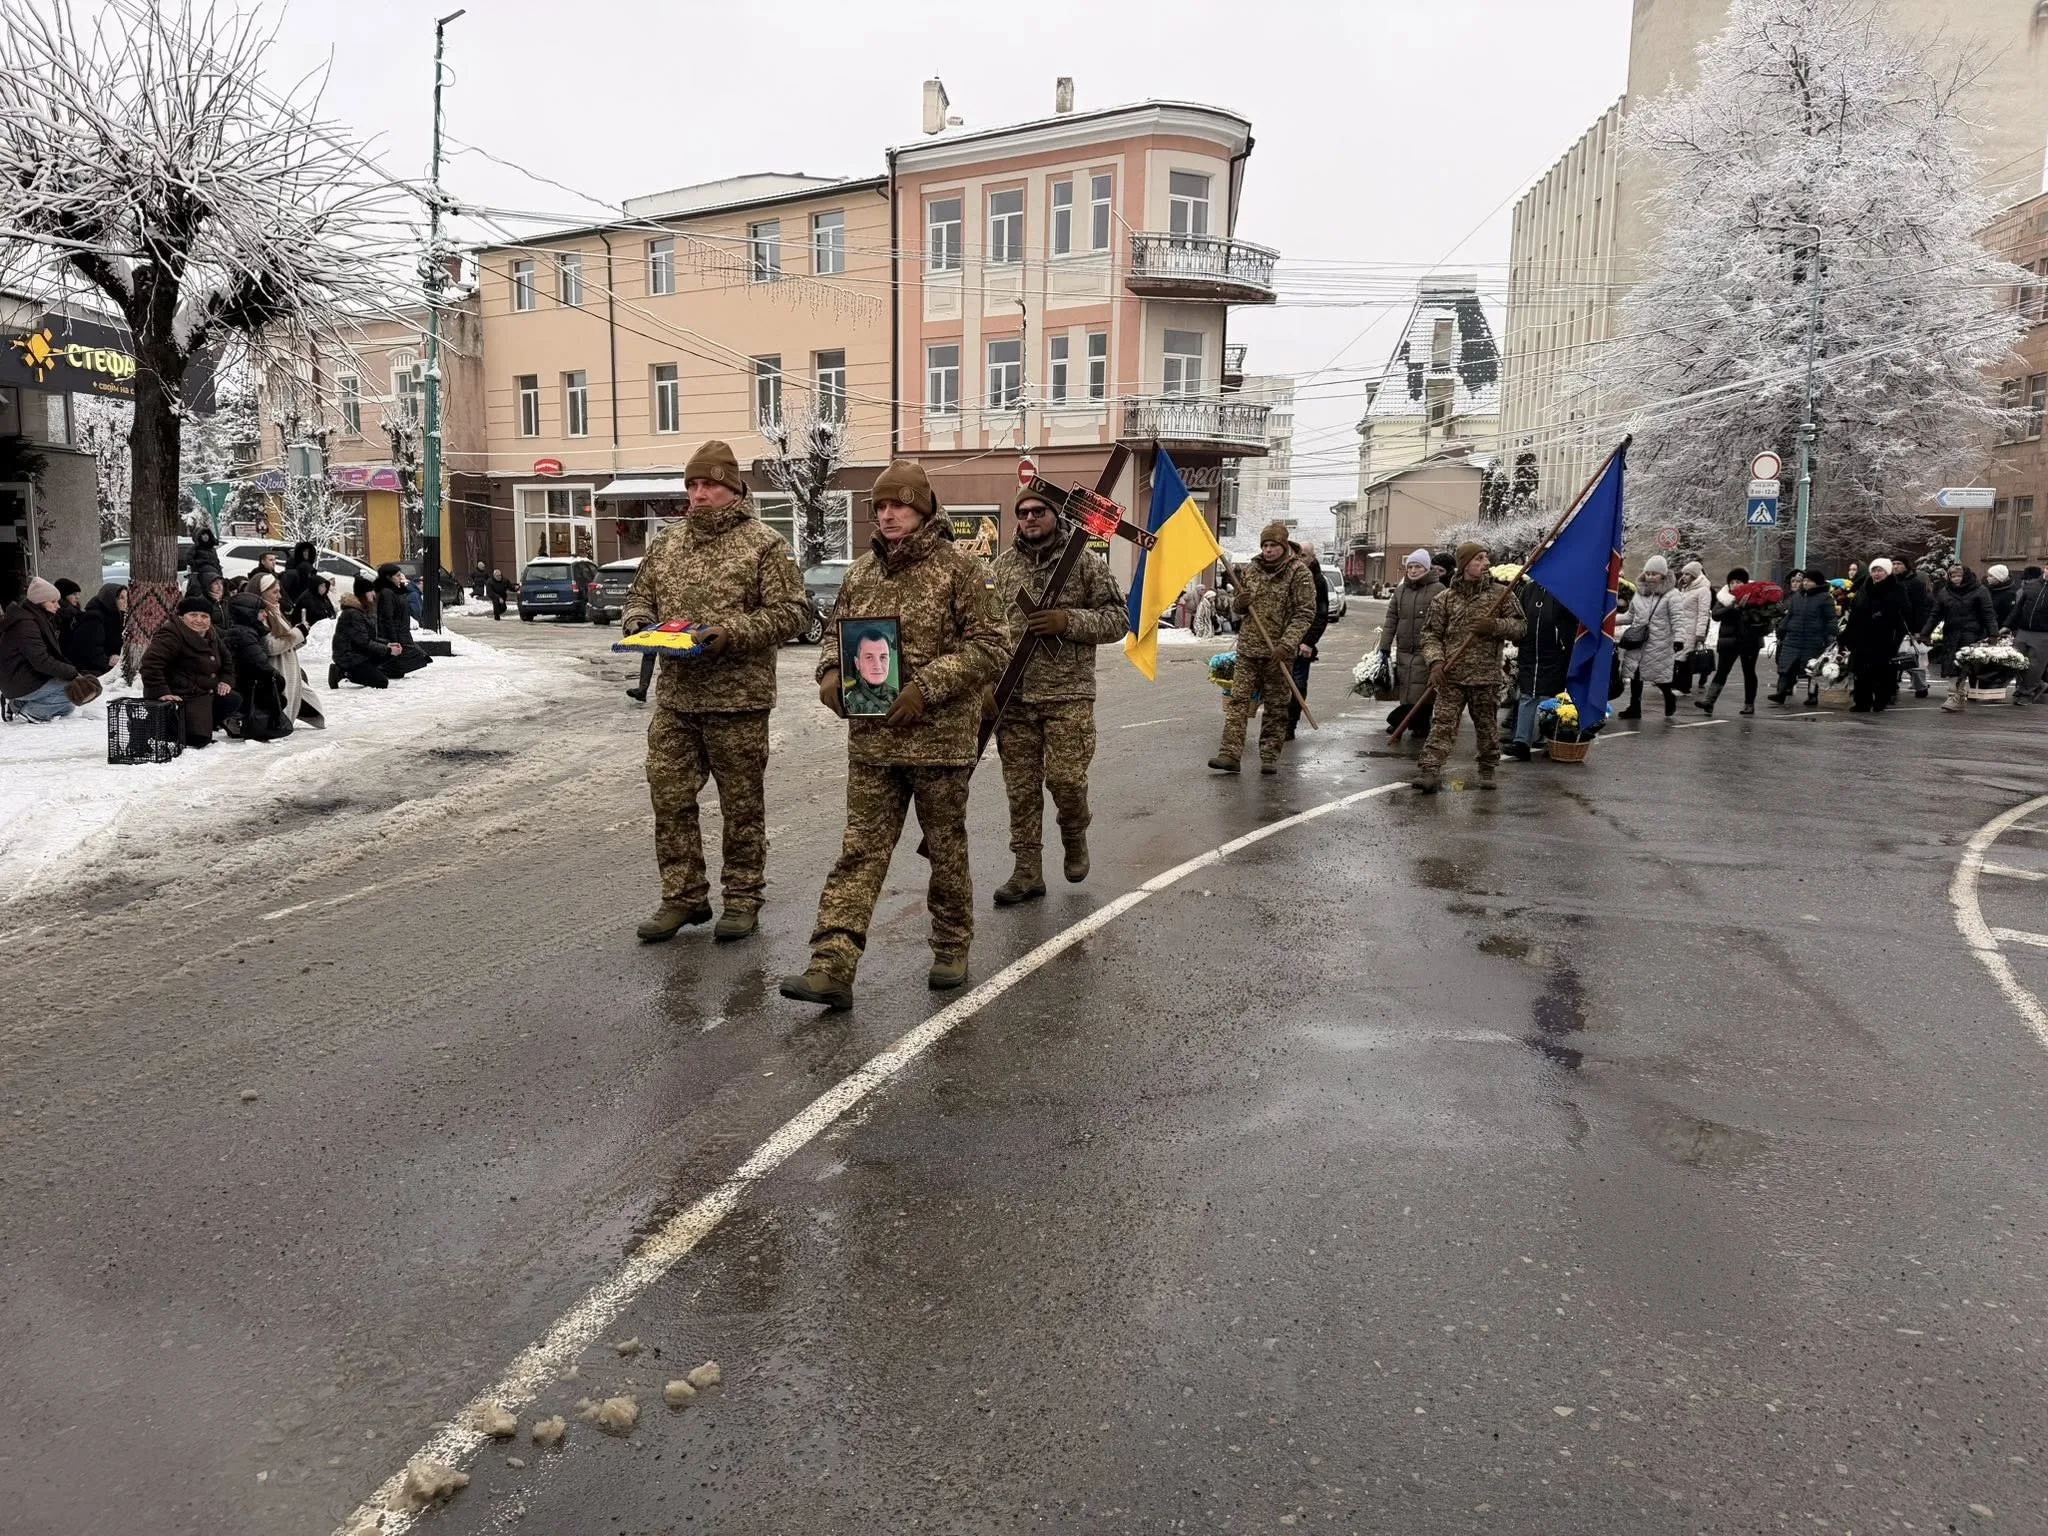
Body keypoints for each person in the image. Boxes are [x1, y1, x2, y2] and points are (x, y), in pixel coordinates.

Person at [781, 460, 1008, 1008]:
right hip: (874, 743)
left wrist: (926, 688)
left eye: (899, 505)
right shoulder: (861, 574)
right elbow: (834, 637)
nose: (887, 515)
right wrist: (830, 674)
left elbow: (992, 646)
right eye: (880, 506)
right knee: (859, 852)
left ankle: (951, 945)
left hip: (940, 742)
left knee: (945, 851)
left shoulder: (962, 570)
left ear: (923, 509)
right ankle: (831, 964)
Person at [621, 440, 809, 944]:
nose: (699, 494)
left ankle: (743, 898)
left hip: (738, 701)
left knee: (741, 806)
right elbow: (640, 595)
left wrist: (732, 633)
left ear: (733, 489)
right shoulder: (667, 543)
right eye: (693, 485)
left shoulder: (764, 544)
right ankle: (683, 896)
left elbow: (794, 612)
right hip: (677, 698)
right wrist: (638, 621)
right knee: (669, 797)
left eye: (709, 485)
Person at [987, 483, 1129, 905]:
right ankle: (1027, 870)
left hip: (1067, 694)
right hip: (1013, 697)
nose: (1030, 518)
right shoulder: (1001, 568)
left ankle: (1074, 832)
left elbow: (1118, 620)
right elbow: (985, 628)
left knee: (1066, 780)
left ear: (1056, 515)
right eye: (1023, 513)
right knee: (1021, 790)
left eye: (1038, 511)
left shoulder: (1084, 563)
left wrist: (1068, 621)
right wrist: (985, 684)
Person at [1414, 541, 1525, 792]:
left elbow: (1521, 627)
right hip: (1451, 675)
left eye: (1486, 558)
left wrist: (1495, 626)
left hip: (1485, 676)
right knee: (1442, 725)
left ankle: (1487, 768)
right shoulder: (1445, 599)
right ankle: (1430, 770)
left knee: (1486, 727)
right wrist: (1436, 662)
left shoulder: (1500, 595)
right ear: (1465, 564)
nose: (1485, 563)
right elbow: (1430, 634)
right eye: (1479, 559)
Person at [1208, 521, 1317, 774]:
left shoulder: (1298, 573)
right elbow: (1237, 609)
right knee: (1237, 701)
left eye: (1273, 545)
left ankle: (1269, 756)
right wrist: (1239, 603)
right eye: (1265, 545)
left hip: (1278, 652)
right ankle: (1230, 754)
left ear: (1284, 546)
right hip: (1249, 648)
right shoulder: (1252, 570)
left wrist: (1287, 644)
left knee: (1276, 706)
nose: (1268, 550)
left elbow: (1304, 613)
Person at [141, 596, 240, 745]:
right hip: (182, 695)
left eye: (204, 616)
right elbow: (151, 664)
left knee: (232, 698)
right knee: (199, 740)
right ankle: (159, 729)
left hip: (204, 692)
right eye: (193, 615)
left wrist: (225, 680)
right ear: (182, 617)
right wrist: (161, 692)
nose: (199, 620)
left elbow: (227, 660)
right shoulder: (171, 634)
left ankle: (203, 725)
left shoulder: (211, 633)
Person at [1374, 549, 1445, 742]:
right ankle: (1417, 725)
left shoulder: (1438, 590)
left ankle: (1399, 721)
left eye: (1418, 567)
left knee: (1420, 690)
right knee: (1406, 690)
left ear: (1427, 568)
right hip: (1404, 649)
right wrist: (1384, 646)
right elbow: (1391, 619)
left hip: (1427, 649)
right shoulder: (1401, 590)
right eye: (1410, 567)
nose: (1413, 571)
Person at [1505, 576, 1573, 760]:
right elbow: (1519, 616)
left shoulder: (1565, 588)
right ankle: (1521, 742)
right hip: (1529, 652)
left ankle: (1553, 740)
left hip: (1555, 653)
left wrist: (1564, 643)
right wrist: (1518, 636)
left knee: (1552, 698)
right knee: (1527, 695)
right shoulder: (1529, 589)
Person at [0, 576, 84, 721]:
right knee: (72, 690)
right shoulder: (26, 624)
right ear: (40, 602)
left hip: (24, 676)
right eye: (53, 602)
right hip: (18, 680)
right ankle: (30, 712)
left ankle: (16, 704)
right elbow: (41, 660)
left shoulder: (38, 618)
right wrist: (72, 673)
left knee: (69, 706)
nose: (58, 606)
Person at [1697, 567, 1777, 716]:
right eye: (1732, 582)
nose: (1735, 585)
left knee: (1749, 672)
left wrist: (1749, 609)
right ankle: (1709, 701)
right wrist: (1734, 607)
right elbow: (1715, 615)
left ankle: (1749, 705)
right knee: (1722, 671)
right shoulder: (1724, 597)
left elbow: (1765, 619)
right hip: (1728, 640)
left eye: (1738, 582)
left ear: (1745, 583)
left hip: (1750, 640)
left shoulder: (1756, 596)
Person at [1922, 562, 1999, 713]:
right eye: (1953, 576)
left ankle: (1955, 696)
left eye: (1959, 575)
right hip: (1951, 634)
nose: (1956, 578)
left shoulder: (1980, 591)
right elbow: (1935, 614)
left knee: (1962, 666)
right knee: (1952, 665)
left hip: (1971, 634)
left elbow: (1988, 613)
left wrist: (1993, 634)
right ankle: (1955, 696)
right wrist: (1926, 632)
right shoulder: (1945, 592)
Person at [251, 570, 324, 728]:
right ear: (262, 593)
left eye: (279, 591)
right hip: (277, 669)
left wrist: (301, 635)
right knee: (282, 707)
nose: (279, 596)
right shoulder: (261, 615)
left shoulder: (275, 611)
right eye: (274, 592)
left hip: (287, 667)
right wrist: (298, 633)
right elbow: (270, 646)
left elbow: (287, 639)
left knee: (298, 702)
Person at [1841, 557, 1912, 712]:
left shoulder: (1896, 588)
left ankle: (1881, 699)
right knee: (1861, 669)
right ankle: (1862, 701)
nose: (1876, 574)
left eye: (1880, 570)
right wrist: (1848, 634)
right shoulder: (1864, 588)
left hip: (1885, 635)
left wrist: (1885, 617)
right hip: (1863, 634)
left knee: (1881, 669)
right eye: (1874, 570)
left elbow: (1904, 612)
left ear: (1887, 572)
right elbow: (1855, 611)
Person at [220, 589, 292, 740]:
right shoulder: (244, 634)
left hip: (246, 682)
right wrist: (277, 678)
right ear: (248, 613)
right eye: (261, 612)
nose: (265, 615)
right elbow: (259, 664)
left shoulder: (248, 631)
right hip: (246, 684)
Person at [1616, 554, 1681, 718]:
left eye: (1654, 574)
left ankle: (1669, 696)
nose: (1650, 577)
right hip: (1638, 640)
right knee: (1635, 674)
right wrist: (1608, 621)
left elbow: (1678, 619)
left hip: (1659, 642)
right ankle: (1634, 707)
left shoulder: (1672, 595)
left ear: (1663, 575)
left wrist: (1679, 639)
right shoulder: (1639, 594)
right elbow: (1630, 616)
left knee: (1658, 677)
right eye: (1648, 573)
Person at [1771, 570, 1838, 704]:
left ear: (1817, 583)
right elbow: (1790, 615)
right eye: (1805, 580)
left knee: (1812, 669)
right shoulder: (1797, 596)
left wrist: (1831, 635)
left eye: (1809, 581)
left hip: (1813, 639)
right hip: (1793, 638)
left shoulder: (1825, 598)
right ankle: (1781, 692)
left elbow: (1830, 618)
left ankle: (1812, 696)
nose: (1806, 583)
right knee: (1786, 666)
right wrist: (1781, 629)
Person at [1286, 539, 1330, 740]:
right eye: (1296, 554)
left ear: (1312, 558)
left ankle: (1290, 724)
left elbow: (1321, 615)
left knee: (1298, 684)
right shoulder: (1288, 574)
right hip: (1283, 640)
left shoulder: (1318, 581)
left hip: (1303, 643)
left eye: (1303, 555)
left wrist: (1309, 641)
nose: (1299, 558)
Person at [371, 564, 433, 676]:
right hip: (397, 633)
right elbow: (387, 617)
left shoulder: (396, 591)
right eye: (397, 575)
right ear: (388, 577)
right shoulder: (387, 592)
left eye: (401, 575)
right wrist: (393, 639)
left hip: (402, 633)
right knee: (406, 659)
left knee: (402, 662)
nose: (401, 577)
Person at [330, 592, 401, 688]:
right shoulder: (353, 613)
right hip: (350, 657)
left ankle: (367, 671)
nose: (373, 594)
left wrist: (387, 645)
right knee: (381, 682)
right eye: (369, 592)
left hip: (358, 653)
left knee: (388, 653)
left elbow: (369, 638)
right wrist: (387, 649)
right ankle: (344, 672)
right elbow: (363, 642)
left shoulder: (360, 612)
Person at [64, 582, 127, 676]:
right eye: (121, 598)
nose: (126, 601)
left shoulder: (116, 615)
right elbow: (90, 649)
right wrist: (108, 661)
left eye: (127, 597)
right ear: (110, 599)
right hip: (91, 670)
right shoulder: (94, 618)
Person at [1671, 560, 1713, 694]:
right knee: (1677, 657)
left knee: (1685, 658)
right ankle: (1676, 684)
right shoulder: (1685, 589)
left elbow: (1703, 613)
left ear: (1695, 576)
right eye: (1683, 574)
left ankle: (1684, 687)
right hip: (1680, 629)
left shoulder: (1703, 591)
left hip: (1691, 629)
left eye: (1687, 574)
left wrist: (1700, 633)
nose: (1684, 577)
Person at [1896, 557, 1934, 697]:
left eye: (1899, 563)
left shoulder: (1916, 583)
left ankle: (1920, 686)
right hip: (1895, 626)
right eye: (1893, 564)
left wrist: (1919, 630)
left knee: (1913, 658)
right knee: (1895, 658)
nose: (1895, 566)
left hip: (1911, 626)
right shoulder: (1892, 582)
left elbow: (1921, 608)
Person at [2010, 565, 2048, 702]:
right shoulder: (2031, 585)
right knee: (2014, 660)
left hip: (2043, 633)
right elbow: (2018, 608)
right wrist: (2007, 625)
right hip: (2024, 629)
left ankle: (2027, 692)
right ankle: (2036, 685)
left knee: (2035, 665)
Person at [841, 627, 901, 713]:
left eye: (883, 657)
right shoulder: (846, 699)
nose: (877, 666)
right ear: (857, 663)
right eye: (869, 657)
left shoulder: (899, 696)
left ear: (889, 661)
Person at [185, 526, 224, 599]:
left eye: (207, 534)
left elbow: (216, 562)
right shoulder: (194, 548)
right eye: (203, 535)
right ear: (199, 536)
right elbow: (189, 561)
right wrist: (202, 562)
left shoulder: (212, 549)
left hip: (215, 577)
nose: (205, 536)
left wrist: (220, 575)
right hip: (201, 578)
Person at [1986, 563, 2017, 630]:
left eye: (1991, 576)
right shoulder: (1990, 590)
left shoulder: (2009, 594)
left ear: (1999, 577)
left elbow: (2009, 614)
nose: (1987, 578)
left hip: (2000, 628)